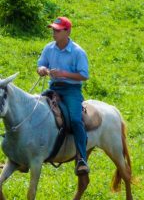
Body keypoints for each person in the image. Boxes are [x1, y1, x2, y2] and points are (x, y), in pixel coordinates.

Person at [37, 16, 90, 176]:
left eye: (57, 31)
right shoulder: (49, 48)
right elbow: (41, 64)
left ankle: (81, 158)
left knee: (75, 119)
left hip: (71, 91)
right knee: (36, 111)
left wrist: (63, 74)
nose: (54, 33)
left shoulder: (78, 52)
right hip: (53, 88)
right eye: (53, 30)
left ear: (67, 32)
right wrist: (42, 70)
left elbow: (84, 75)